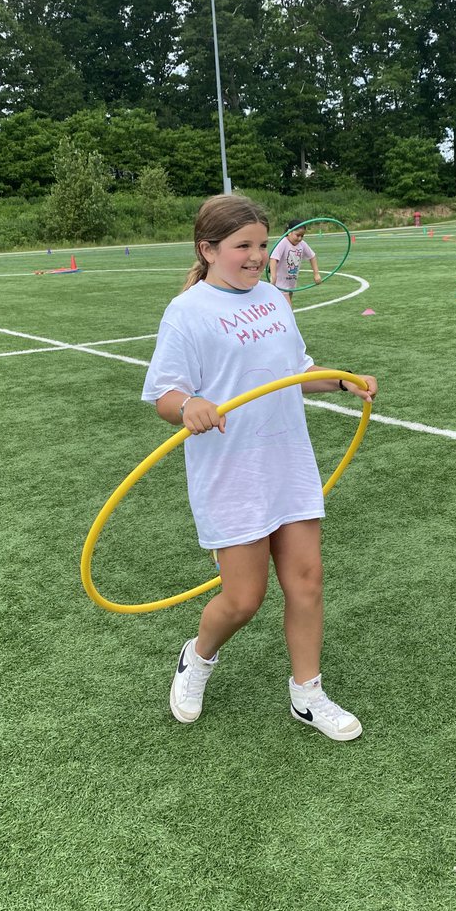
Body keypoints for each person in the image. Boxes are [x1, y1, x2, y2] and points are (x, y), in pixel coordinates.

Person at [141, 194, 377, 741]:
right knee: (244, 600)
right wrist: (188, 406)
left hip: (287, 460)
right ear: (208, 250)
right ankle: (197, 658)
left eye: (261, 245)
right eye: (241, 246)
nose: (255, 257)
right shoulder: (188, 312)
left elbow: (297, 372)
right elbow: (163, 395)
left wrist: (342, 380)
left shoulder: (273, 297)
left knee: (307, 582)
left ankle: (307, 696)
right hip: (232, 469)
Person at [267, 219, 321, 306]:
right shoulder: (283, 242)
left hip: (291, 283)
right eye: (297, 235)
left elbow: (312, 256)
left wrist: (316, 274)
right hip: (280, 284)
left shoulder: (302, 244)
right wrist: (273, 277)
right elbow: (273, 258)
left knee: (286, 308)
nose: (300, 238)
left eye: (302, 236)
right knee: (288, 310)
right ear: (289, 232)